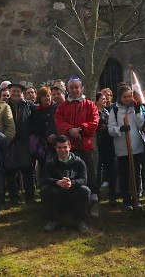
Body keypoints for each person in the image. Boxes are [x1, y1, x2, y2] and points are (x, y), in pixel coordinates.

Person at [54, 77, 100, 215]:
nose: (74, 90)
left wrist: (79, 129)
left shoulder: (90, 105)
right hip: (69, 147)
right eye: (71, 87)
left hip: (84, 145)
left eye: (76, 87)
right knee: (70, 174)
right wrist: (69, 130)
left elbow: (94, 121)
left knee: (89, 173)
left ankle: (93, 201)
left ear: (81, 88)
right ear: (67, 89)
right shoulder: (62, 106)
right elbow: (58, 120)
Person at [107, 83, 145, 209]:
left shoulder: (135, 107)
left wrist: (137, 111)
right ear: (120, 97)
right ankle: (126, 199)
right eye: (125, 97)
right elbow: (111, 129)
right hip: (122, 147)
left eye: (129, 96)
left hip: (136, 145)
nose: (127, 99)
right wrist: (120, 129)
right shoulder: (115, 110)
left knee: (136, 172)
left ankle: (136, 197)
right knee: (124, 173)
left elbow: (141, 125)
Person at [41, 135, 91, 232]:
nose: (62, 150)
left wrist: (72, 183)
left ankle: (80, 221)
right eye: (59, 147)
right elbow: (45, 179)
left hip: (73, 191)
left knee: (85, 190)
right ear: (55, 148)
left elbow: (84, 180)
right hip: (57, 191)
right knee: (45, 190)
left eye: (65, 147)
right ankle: (52, 220)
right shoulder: (50, 163)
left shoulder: (79, 162)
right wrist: (57, 182)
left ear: (70, 147)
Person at [4, 83, 35, 205]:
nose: (15, 93)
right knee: (11, 172)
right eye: (13, 91)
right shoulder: (5, 106)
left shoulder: (29, 105)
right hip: (11, 143)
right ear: (10, 92)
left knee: (28, 170)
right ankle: (14, 197)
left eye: (18, 91)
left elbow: (34, 121)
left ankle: (30, 197)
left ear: (21, 93)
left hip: (25, 142)